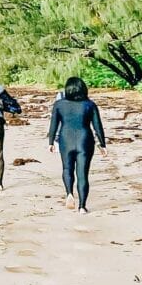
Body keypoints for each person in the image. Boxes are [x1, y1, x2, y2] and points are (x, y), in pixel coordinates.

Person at [48, 77, 108, 213]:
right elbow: (98, 126)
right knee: (82, 174)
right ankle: (82, 206)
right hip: (85, 140)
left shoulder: (59, 104)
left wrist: (51, 142)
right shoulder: (90, 104)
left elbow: (53, 125)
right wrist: (102, 144)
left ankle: (69, 193)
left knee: (67, 169)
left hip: (66, 139)